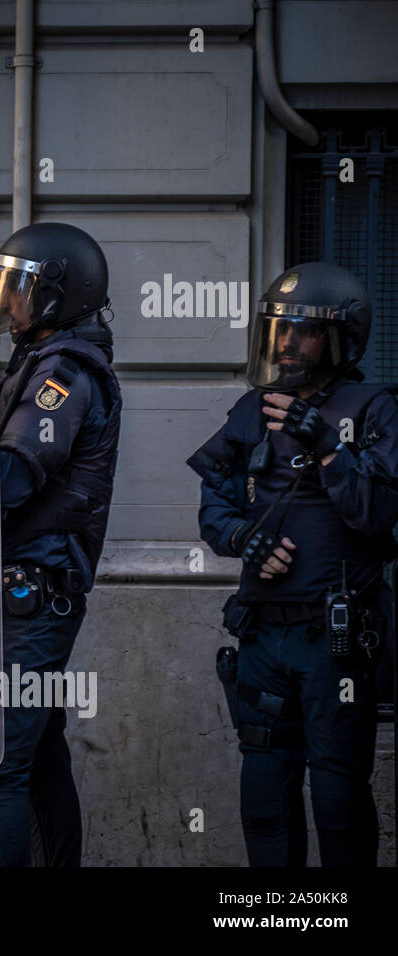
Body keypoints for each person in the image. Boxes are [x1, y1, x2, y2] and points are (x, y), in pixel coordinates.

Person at [187, 261, 398, 867]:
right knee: (265, 794)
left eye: (301, 330)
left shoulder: (375, 408)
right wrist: (239, 537)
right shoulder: (257, 406)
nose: (285, 342)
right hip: (261, 634)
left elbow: (376, 514)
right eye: (278, 328)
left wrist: (329, 446)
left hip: (334, 638)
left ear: (339, 338)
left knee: (337, 794)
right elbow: (214, 503)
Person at [0, 221, 121, 866]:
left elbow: (11, 475)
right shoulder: (40, 363)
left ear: (59, 294)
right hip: (18, 598)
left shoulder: (65, 373)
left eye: (20, 288)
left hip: (33, 600)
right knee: (39, 764)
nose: (7, 302)